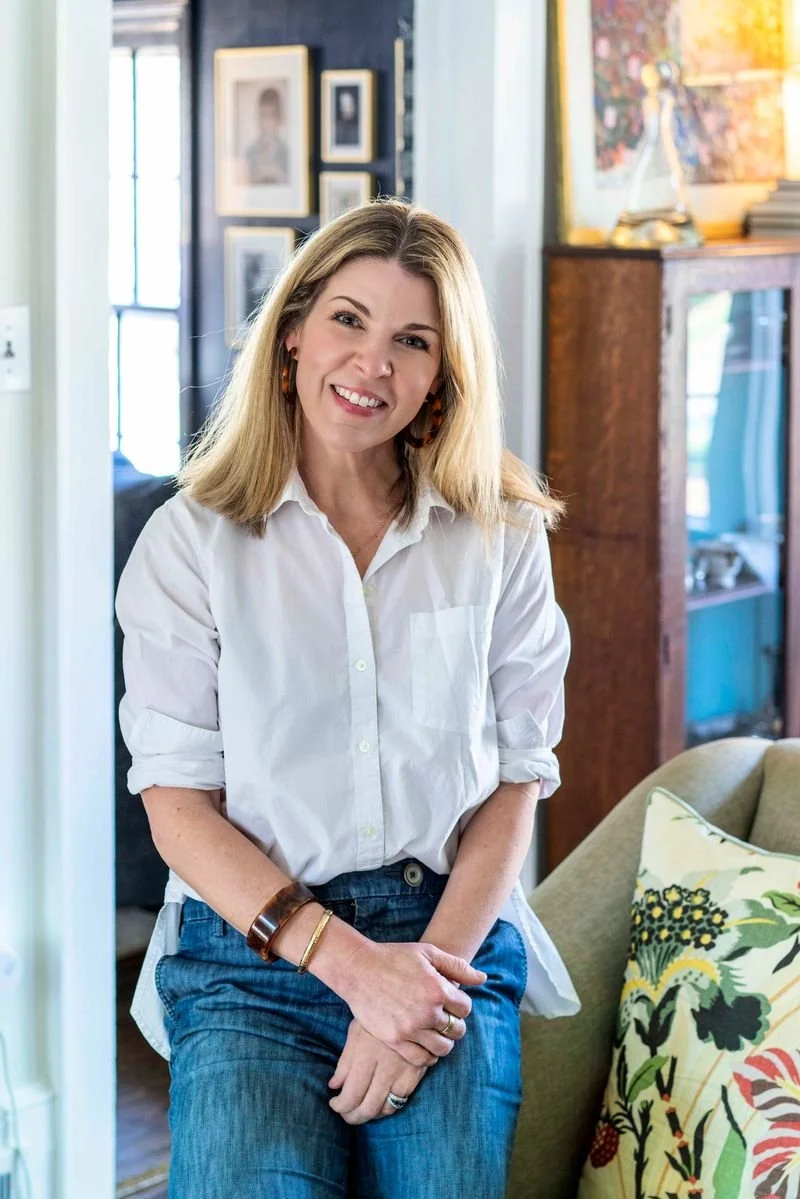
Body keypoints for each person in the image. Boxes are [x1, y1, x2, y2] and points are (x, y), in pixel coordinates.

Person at [116, 198, 580, 1199]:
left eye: (411, 339)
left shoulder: (498, 534)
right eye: (347, 320)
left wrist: (415, 989)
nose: (372, 363)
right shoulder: (190, 544)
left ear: (442, 372)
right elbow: (177, 806)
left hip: (444, 937)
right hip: (251, 953)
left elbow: (513, 782)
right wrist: (348, 967)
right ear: (291, 333)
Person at [243, 85, 289, 186]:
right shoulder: (250, 152)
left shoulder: (286, 152)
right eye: (262, 116)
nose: (266, 122)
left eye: (271, 116)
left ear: (279, 118)